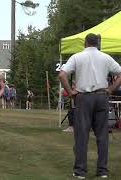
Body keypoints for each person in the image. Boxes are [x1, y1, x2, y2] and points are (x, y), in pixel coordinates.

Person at [59, 33, 121, 179]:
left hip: (83, 98)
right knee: (102, 135)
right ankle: (102, 171)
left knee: (81, 135)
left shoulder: (77, 57)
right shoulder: (106, 57)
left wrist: (71, 92)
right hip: (101, 97)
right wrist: (111, 89)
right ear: (97, 43)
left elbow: (62, 75)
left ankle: (80, 171)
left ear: (85, 43)